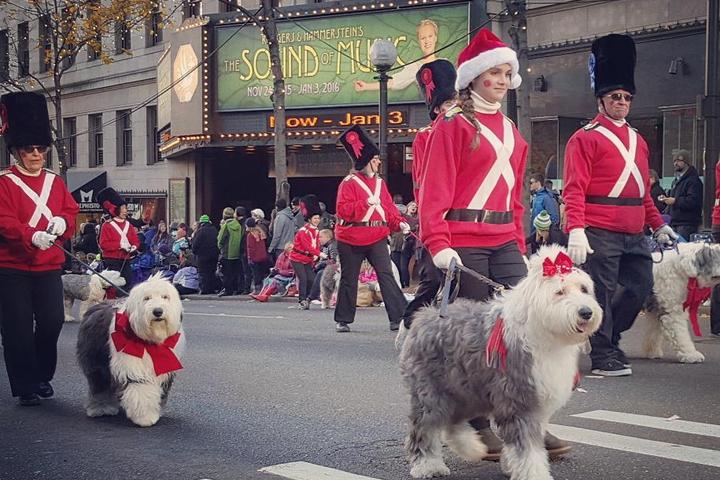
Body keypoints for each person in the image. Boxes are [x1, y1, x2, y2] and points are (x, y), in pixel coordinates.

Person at [419, 28, 569, 459]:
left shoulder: (511, 131)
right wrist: (438, 241)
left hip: (504, 239)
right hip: (461, 241)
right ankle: (479, 422)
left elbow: (515, 197)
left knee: (523, 330)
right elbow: (434, 190)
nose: (502, 81)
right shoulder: (452, 126)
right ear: (473, 79)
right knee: (476, 339)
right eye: (494, 74)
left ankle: (530, 419)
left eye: (507, 73)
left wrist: (519, 245)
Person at [562, 34, 677, 378]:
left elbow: (642, 191)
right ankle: (604, 355)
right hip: (599, 229)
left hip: (634, 230)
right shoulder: (584, 138)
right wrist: (577, 229)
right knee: (602, 291)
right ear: (601, 99)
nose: (622, 102)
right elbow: (574, 188)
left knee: (640, 287)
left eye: (627, 97)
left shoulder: (638, 140)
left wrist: (659, 224)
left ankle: (608, 335)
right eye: (615, 96)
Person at [0, 91, 79, 406]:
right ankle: (26, 385)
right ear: (17, 152)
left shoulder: (55, 182)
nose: (36, 154)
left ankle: (42, 374)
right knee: (17, 328)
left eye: (40, 149)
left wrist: (61, 223)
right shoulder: (5, 183)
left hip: (47, 264)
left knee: (52, 321)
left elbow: (70, 212)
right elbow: (4, 220)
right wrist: (30, 235)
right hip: (12, 267)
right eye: (29, 149)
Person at [334, 125, 410, 332]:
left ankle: (399, 317)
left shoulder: (379, 183)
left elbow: (388, 209)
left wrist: (399, 222)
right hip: (350, 237)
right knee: (349, 278)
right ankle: (343, 319)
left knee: (386, 274)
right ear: (366, 161)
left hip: (376, 235)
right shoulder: (348, 183)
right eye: (375, 159)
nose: (378, 162)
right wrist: (365, 203)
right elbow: (343, 211)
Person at [401, 58, 457, 329]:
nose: (452, 107)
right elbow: (423, 182)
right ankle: (410, 321)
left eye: (455, 101)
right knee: (434, 278)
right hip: (438, 216)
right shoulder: (425, 136)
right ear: (437, 109)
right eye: (447, 104)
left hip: (465, 218)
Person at [354, 19, 439, 92]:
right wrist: (366, 86)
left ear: (435, 38)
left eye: (430, 36)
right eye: (423, 38)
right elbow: (393, 82)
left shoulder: (446, 63)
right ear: (419, 41)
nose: (427, 41)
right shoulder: (415, 67)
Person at [97, 187, 141, 291]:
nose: (126, 211)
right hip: (112, 260)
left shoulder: (128, 225)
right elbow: (104, 244)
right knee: (112, 287)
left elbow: (135, 240)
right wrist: (120, 246)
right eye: (123, 208)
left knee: (127, 283)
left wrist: (134, 246)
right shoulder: (106, 225)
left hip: (125, 259)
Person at [289, 195, 325, 310]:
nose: (317, 220)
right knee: (303, 278)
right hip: (297, 258)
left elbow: (316, 244)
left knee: (312, 279)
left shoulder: (316, 231)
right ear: (309, 219)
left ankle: (309, 298)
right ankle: (302, 301)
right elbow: (307, 246)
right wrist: (319, 254)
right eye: (315, 218)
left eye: (318, 218)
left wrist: (316, 254)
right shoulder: (303, 231)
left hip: (308, 258)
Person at [661, 150, 703, 240]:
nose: (676, 163)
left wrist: (675, 201)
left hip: (687, 224)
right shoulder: (676, 181)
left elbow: (693, 202)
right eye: (674, 161)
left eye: (679, 160)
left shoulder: (693, 181)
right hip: (675, 223)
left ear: (687, 162)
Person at [217, 206, 246, 296]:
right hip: (236, 252)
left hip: (226, 252)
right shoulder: (238, 225)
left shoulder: (226, 225)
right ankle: (235, 288)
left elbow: (220, 239)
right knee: (235, 272)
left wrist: (220, 247)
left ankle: (228, 290)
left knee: (226, 273)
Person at [191, 214, 220, 294]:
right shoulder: (214, 230)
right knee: (211, 272)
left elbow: (195, 244)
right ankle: (212, 288)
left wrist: (195, 252)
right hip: (214, 255)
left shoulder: (200, 231)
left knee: (203, 273)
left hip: (202, 256)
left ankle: (204, 289)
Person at [309, 228, 338, 304]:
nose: (319, 239)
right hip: (326, 267)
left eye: (321, 237)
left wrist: (320, 265)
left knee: (320, 273)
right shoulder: (325, 246)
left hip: (332, 269)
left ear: (328, 237)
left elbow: (333, 260)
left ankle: (313, 296)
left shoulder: (332, 246)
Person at [245, 217, 271, 294]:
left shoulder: (250, 235)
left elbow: (250, 248)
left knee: (256, 275)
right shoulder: (260, 232)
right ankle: (263, 289)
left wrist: (249, 257)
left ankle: (257, 290)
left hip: (255, 258)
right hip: (263, 256)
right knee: (262, 274)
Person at [400, 201, 419, 288]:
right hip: (400, 243)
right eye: (412, 205)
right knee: (401, 264)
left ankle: (407, 284)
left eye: (416, 206)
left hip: (412, 243)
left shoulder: (417, 219)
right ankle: (403, 283)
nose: (414, 207)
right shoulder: (402, 216)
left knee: (409, 264)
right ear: (407, 206)